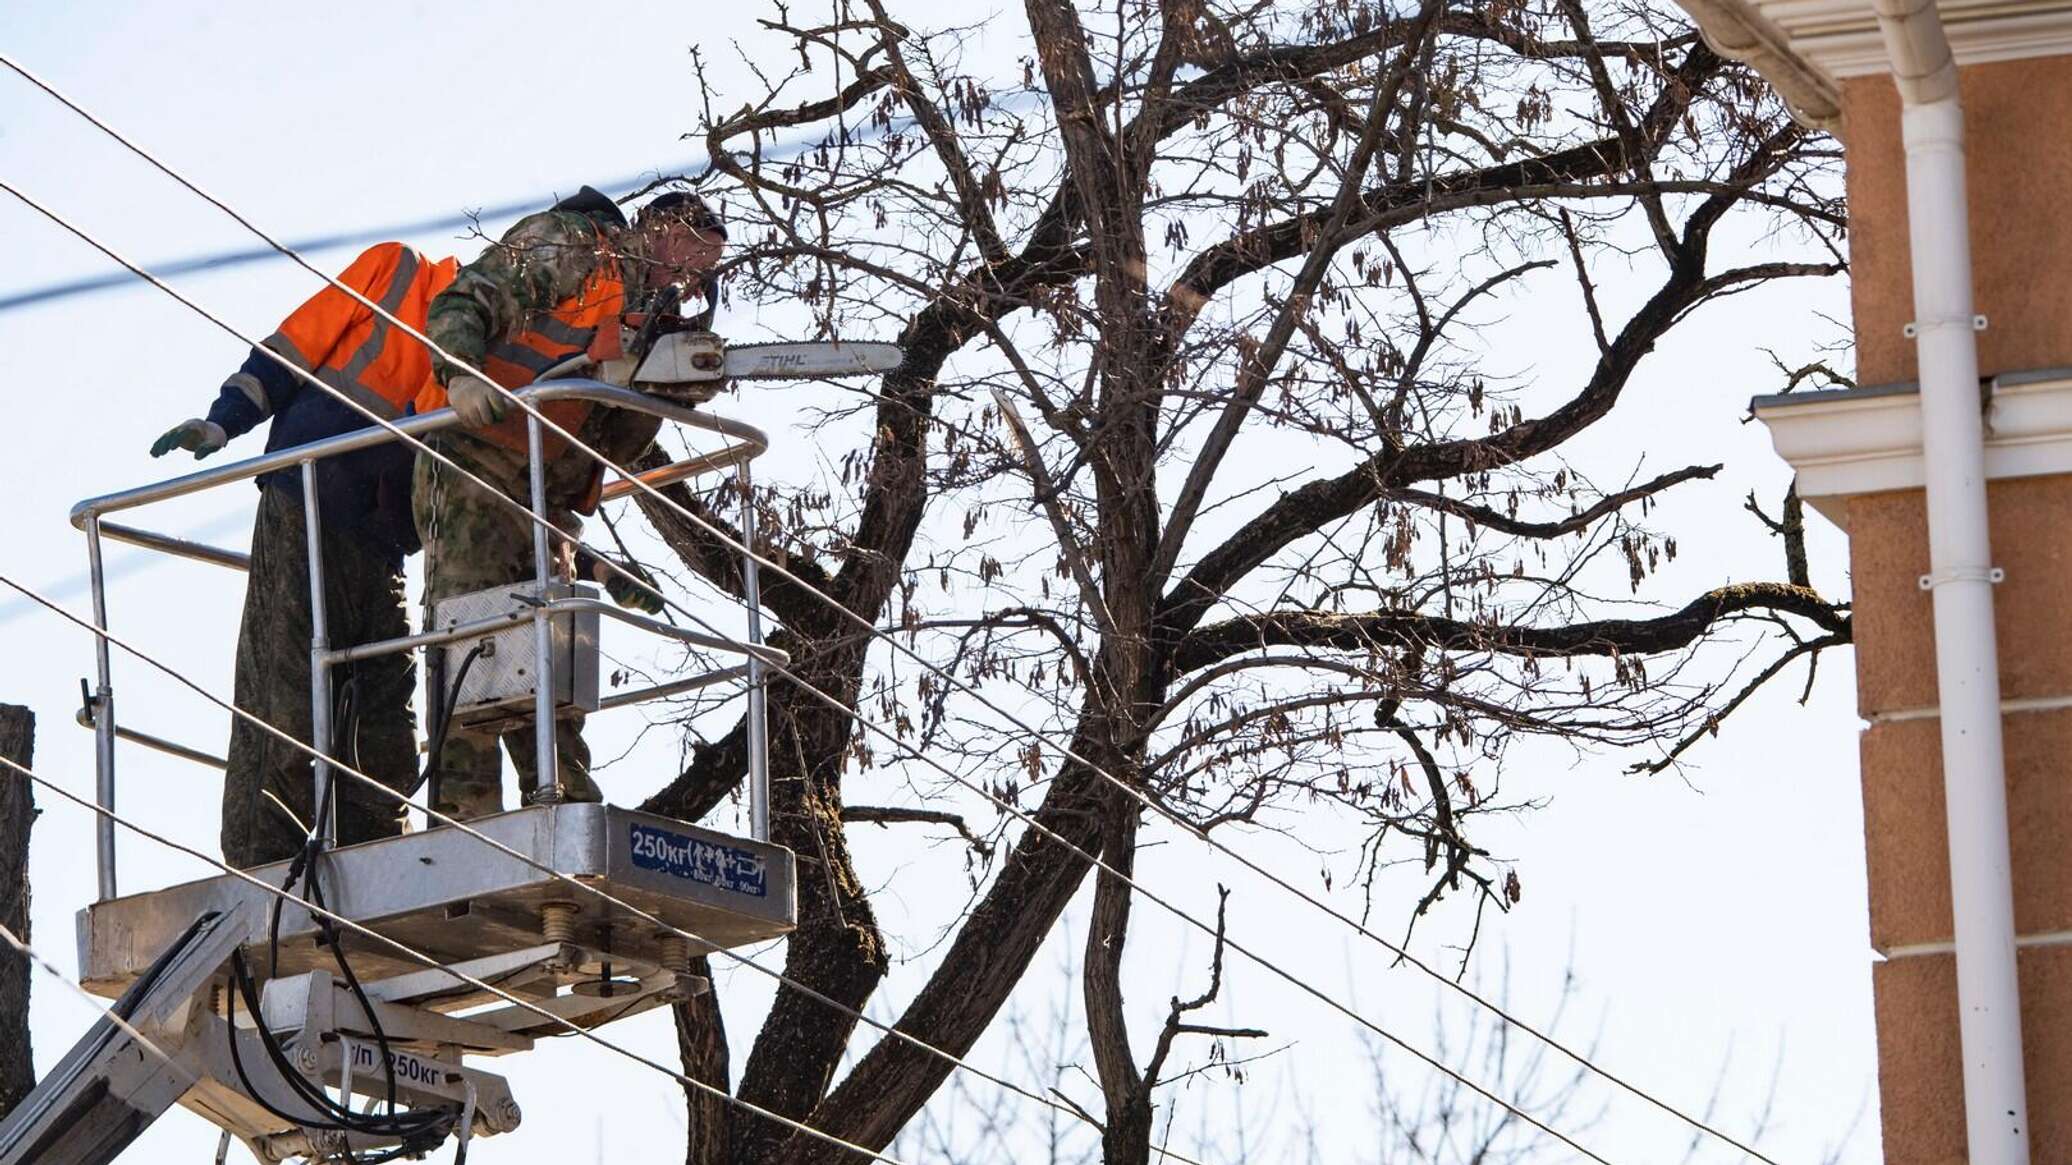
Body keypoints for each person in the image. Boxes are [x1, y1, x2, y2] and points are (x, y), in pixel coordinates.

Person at [414, 186, 725, 819]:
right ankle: (464, 820)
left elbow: (609, 439)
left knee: (548, 652)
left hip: (544, 495)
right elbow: (462, 301)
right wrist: (462, 372)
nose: (694, 285)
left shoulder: (648, 319)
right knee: (474, 637)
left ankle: (561, 799)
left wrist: (668, 392)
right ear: (662, 230)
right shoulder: (577, 247)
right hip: (473, 458)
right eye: (693, 262)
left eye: (705, 276)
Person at [150, 242, 459, 867]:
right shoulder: (400, 270)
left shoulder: (476, 351)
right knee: (287, 686)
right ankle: (267, 860)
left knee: (384, 709)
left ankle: (377, 853)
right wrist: (223, 422)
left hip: (379, 536)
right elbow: (294, 346)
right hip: (305, 498)